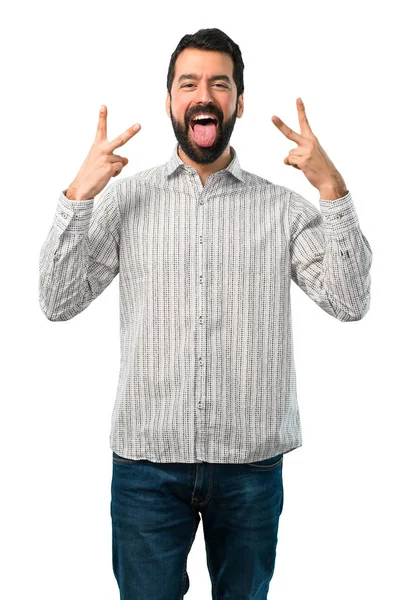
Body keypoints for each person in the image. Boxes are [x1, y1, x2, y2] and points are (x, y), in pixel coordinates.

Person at [39, 27, 372, 600]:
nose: (204, 95)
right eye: (188, 83)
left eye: (220, 84)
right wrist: (79, 194)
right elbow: (56, 300)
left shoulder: (282, 208)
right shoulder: (124, 200)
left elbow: (350, 301)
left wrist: (331, 188)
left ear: (238, 102)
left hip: (251, 467)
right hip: (146, 468)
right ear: (170, 100)